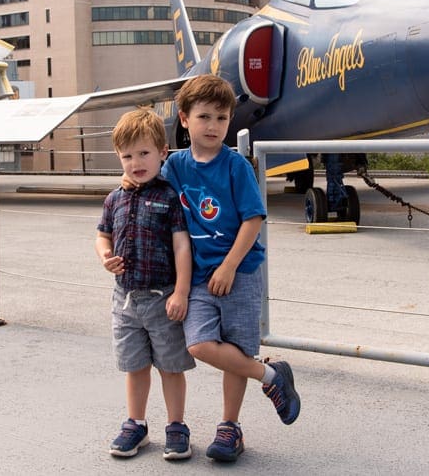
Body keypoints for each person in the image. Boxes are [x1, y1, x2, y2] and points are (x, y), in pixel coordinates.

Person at [128, 74, 301, 463]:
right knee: (201, 344)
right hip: (199, 277)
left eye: (221, 118)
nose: (213, 126)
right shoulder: (176, 167)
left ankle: (230, 427)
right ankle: (271, 376)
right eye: (204, 117)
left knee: (236, 348)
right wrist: (129, 176)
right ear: (185, 119)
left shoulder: (235, 166)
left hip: (239, 272)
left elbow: (253, 219)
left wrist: (228, 266)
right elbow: (149, 183)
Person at [95, 108, 196, 460]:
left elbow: (182, 246)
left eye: (144, 154)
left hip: (163, 297)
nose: (136, 162)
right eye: (127, 156)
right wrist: (105, 256)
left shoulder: (169, 198)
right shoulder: (114, 199)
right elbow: (101, 236)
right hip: (125, 299)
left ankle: (176, 425)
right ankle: (135, 423)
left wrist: (181, 291)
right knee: (134, 365)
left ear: (162, 153)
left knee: (170, 365)